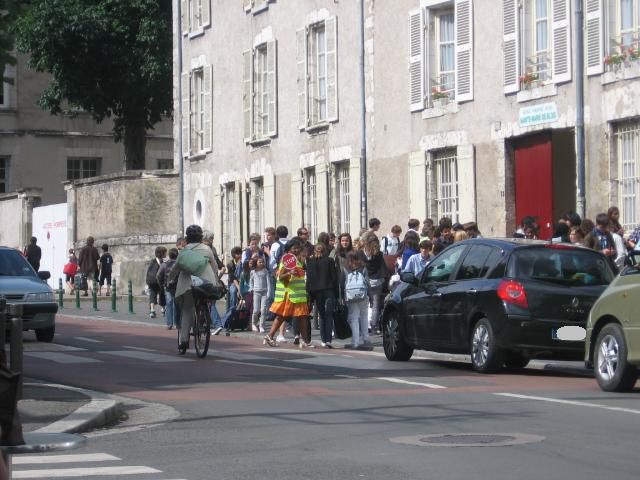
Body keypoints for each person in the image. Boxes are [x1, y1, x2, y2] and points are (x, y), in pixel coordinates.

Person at [172, 225, 221, 353]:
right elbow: (215, 266)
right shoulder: (207, 249)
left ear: (187, 238)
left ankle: (183, 340)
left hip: (188, 284)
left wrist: (169, 279)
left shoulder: (184, 251)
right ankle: (203, 319)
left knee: (188, 308)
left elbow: (175, 268)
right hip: (206, 282)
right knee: (206, 300)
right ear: (200, 238)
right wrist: (216, 279)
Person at [263, 238, 313, 348]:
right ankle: (270, 336)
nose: (296, 250)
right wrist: (289, 272)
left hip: (298, 294)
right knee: (282, 316)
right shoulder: (287, 260)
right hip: (290, 294)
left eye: (297, 248)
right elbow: (280, 276)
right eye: (293, 248)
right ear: (288, 249)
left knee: (302, 317)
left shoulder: (297, 259)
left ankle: (305, 341)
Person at [306, 243, 338, 348]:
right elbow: (334, 278)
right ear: (325, 251)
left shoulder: (310, 262)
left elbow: (309, 280)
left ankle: (323, 340)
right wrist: (337, 294)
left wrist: (309, 295)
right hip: (328, 290)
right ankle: (328, 340)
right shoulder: (329, 261)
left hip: (317, 291)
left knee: (321, 315)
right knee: (329, 315)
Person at [361, 233, 387, 335]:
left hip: (365, 280)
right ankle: (374, 325)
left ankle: (365, 324)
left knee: (365, 303)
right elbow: (382, 267)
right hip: (377, 281)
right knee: (375, 304)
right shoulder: (379, 254)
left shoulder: (362, 253)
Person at [343, 251, 370, 349]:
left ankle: (355, 341)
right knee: (364, 316)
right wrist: (369, 295)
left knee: (354, 318)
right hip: (363, 296)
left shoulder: (346, 269)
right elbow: (367, 282)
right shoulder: (363, 268)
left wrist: (343, 297)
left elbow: (343, 283)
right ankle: (366, 338)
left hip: (351, 297)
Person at [202, 231, 225, 333]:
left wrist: (222, 267)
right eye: (211, 238)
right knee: (208, 302)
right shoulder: (210, 248)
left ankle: (217, 323)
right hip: (211, 277)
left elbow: (216, 262)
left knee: (209, 302)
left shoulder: (208, 249)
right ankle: (206, 322)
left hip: (207, 277)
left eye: (212, 238)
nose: (212, 240)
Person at [220, 246, 243, 335]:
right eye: (237, 254)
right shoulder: (230, 264)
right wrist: (238, 289)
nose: (239, 255)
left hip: (241, 282)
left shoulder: (242, 262)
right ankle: (226, 321)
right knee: (233, 294)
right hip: (233, 283)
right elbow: (233, 277)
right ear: (234, 255)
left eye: (240, 253)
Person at [157, 248, 179, 330]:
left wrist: (161, 284)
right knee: (177, 304)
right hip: (178, 286)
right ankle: (177, 323)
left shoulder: (164, 264)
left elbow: (158, 275)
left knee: (169, 304)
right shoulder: (179, 265)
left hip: (168, 286)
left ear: (169, 255)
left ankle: (169, 324)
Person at [250, 256, 271, 333]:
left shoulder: (265, 271)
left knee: (263, 309)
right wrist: (251, 288)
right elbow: (251, 281)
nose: (261, 263)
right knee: (256, 310)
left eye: (262, 262)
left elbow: (268, 282)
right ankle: (253, 323)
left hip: (264, 292)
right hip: (256, 292)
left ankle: (261, 325)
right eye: (260, 262)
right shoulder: (253, 272)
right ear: (256, 263)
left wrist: (269, 292)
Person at [146, 246, 167, 318]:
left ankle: (152, 310)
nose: (166, 254)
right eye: (165, 253)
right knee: (162, 294)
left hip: (151, 281)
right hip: (158, 281)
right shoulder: (162, 262)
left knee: (152, 294)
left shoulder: (153, 261)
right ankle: (163, 309)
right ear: (162, 254)